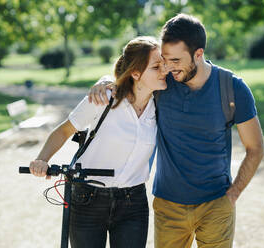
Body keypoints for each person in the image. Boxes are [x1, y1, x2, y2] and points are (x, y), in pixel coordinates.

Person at [88, 14, 264, 248]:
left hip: (215, 205)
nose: (169, 67)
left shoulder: (232, 87)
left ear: (198, 54)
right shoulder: (163, 83)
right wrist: (104, 81)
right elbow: (132, 76)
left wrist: (232, 196)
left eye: (176, 60)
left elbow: (255, 148)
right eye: (165, 59)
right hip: (168, 206)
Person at [29, 36, 167, 248]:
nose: (164, 70)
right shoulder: (104, 99)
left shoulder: (161, 103)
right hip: (88, 199)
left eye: (164, 64)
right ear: (136, 73)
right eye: (157, 66)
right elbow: (64, 130)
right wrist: (42, 159)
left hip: (134, 203)